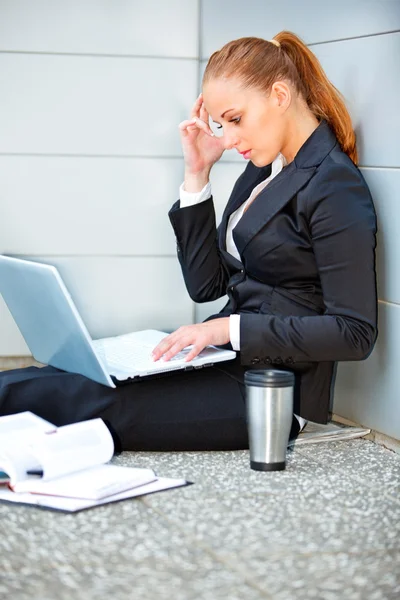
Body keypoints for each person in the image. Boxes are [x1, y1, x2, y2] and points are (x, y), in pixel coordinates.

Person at [0, 31, 377, 451]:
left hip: (271, 391)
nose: (229, 139)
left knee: (84, 399)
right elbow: (207, 286)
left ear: (279, 95)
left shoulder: (334, 184)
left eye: (235, 119)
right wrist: (197, 175)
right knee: (61, 379)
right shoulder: (267, 169)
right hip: (227, 359)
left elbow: (354, 333)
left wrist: (227, 329)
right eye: (220, 124)